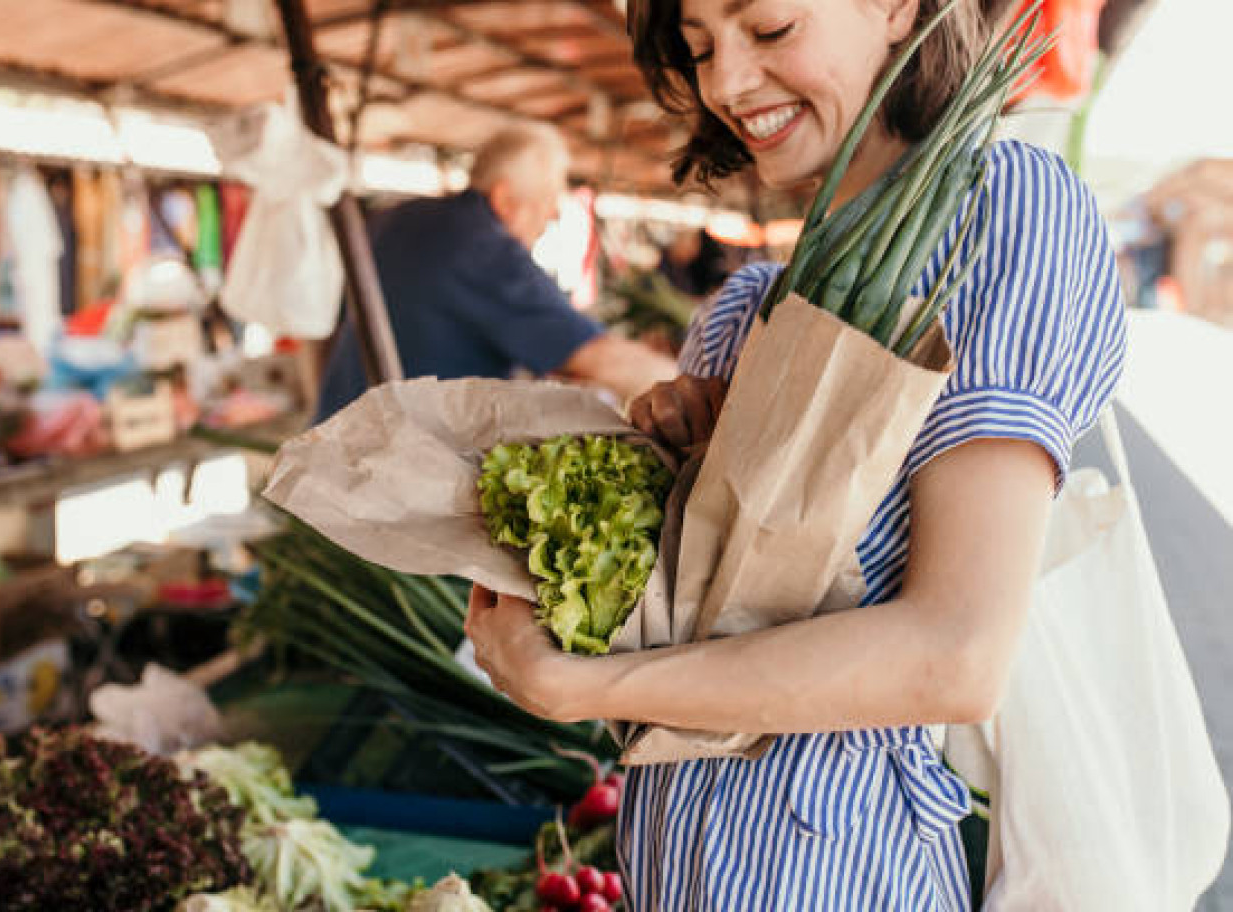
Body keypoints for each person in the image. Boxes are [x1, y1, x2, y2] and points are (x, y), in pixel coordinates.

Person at [463, 1, 1128, 909]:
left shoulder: (1003, 211)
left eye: (770, 28)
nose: (727, 83)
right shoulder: (741, 311)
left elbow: (956, 654)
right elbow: (703, 638)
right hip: (675, 866)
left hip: (836, 871)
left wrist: (578, 684)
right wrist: (671, 465)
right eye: (699, 49)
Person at [314, 124, 676, 422]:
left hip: (336, 441)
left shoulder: (400, 216)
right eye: (547, 203)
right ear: (504, 198)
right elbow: (600, 357)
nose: (552, 218)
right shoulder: (481, 246)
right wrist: (694, 389)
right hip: (390, 470)